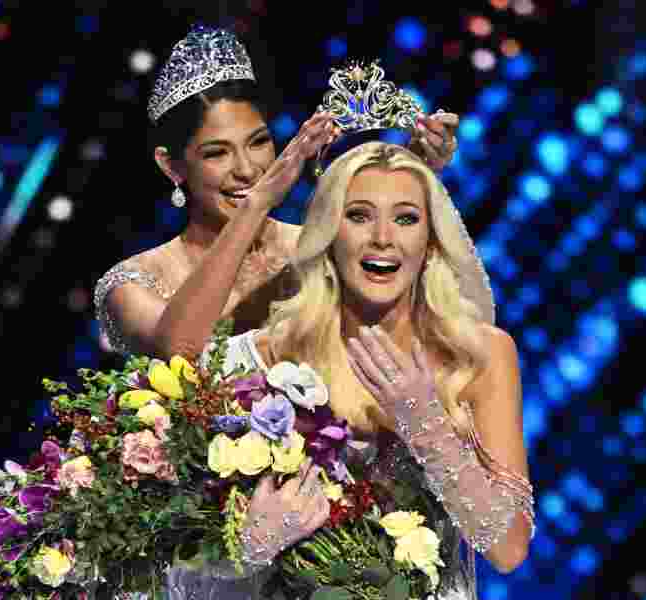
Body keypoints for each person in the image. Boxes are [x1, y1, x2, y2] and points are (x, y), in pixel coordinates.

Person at [87, 141, 540, 600]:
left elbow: (507, 547)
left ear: (430, 242)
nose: (383, 238)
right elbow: (167, 542)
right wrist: (248, 543)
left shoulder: (479, 355)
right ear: (326, 235)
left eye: (406, 218)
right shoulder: (258, 358)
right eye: (359, 216)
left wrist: (426, 423)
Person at [94, 25, 461, 361]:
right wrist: (257, 203)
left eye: (258, 143)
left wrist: (416, 168)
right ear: (171, 166)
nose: (246, 169)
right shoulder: (132, 283)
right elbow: (180, 351)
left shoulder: (319, 248)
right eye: (217, 153)